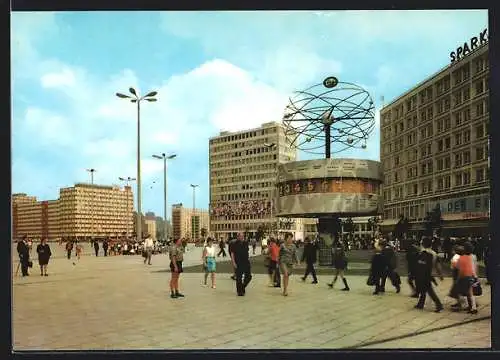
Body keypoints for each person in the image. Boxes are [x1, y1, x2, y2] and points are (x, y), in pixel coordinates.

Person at [414, 237, 444, 313]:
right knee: (424, 289)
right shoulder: (434, 253)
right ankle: (420, 304)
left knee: (429, 290)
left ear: (423, 244)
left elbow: (418, 264)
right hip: (429, 273)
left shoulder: (422, 252)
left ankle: (439, 305)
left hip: (423, 274)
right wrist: (440, 275)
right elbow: (437, 266)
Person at [455, 242, 479, 314]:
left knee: (462, 292)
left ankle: (469, 306)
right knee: (470, 292)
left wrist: (458, 278)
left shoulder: (462, 258)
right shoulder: (472, 257)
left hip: (464, 276)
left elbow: (460, 269)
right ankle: (472, 306)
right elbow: (474, 267)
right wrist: (475, 276)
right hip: (471, 276)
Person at [231, 232, 252, 296]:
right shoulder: (234, 244)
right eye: (241, 236)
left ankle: (242, 287)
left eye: (243, 236)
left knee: (249, 277)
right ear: (238, 237)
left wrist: (249, 260)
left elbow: (247, 252)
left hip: (246, 262)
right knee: (239, 278)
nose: (242, 237)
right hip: (238, 262)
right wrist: (234, 262)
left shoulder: (245, 243)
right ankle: (239, 291)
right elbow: (232, 254)